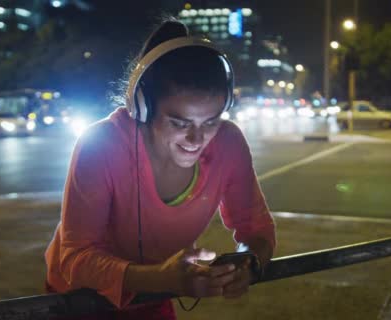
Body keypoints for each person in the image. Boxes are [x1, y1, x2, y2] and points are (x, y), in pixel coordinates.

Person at [44, 19, 276, 319]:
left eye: (210, 121)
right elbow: (75, 259)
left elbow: (257, 228)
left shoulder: (228, 142)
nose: (197, 139)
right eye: (179, 123)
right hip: (80, 300)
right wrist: (160, 278)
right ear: (142, 107)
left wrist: (248, 263)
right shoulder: (101, 144)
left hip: (157, 291)